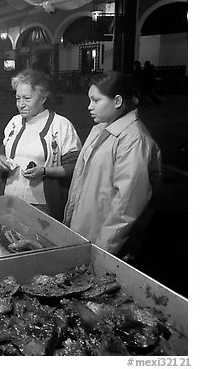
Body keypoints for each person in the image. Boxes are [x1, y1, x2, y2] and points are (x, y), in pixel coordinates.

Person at [63, 71, 162, 258]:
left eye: (96, 100)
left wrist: (102, 254)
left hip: (105, 246)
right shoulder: (101, 129)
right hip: (84, 233)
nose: (89, 107)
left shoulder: (134, 141)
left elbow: (126, 207)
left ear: (117, 101)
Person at [0, 69, 81, 221]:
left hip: (43, 207)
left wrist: (44, 171)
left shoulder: (61, 125)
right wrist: (0, 158)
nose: (21, 104)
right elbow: (4, 148)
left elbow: (74, 166)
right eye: (18, 99)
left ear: (43, 98)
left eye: (27, 98)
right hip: (9, 199)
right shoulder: (14, 122)